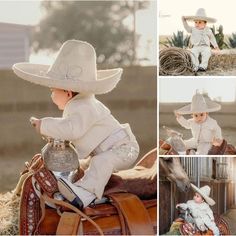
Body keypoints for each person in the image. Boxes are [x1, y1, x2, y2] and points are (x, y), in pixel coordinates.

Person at [12, 40, 139, 209]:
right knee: (93, 163)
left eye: (52, 90)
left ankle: (85, 194)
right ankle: (81, 189)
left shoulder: (85, 106)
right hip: (115, 149)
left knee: (101, 162)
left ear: (67, 92)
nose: (51, 95)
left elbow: (72, 129)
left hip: (124, 149)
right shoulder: (82, 104)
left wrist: (44, 125)